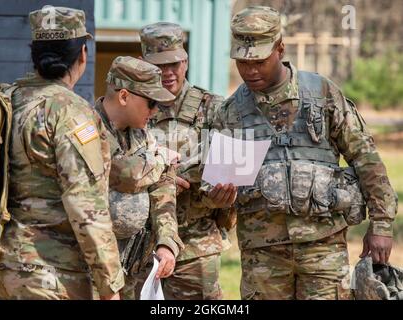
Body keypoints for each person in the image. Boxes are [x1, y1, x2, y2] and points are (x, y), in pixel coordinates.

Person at [210, 5, 397, 300]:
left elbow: (365, 158)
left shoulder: (321, 94)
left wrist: (382, 224)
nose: (250, 70)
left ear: (280, 49)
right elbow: (224, 195)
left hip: (323, 247)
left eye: (259, 60)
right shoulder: (232, 113)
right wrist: (221, 197)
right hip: (262, 255)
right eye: (242, 62)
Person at [0, 7, 124, 300]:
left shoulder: (9, 100)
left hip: (5, 270)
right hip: (51, 276)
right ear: (83, 54)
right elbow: (86, 206)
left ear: (34, 54)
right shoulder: (71, 112)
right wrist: (110, 285)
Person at [139, 22, 237, 300]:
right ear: (144, 64)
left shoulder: (213, 108)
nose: (168, 72)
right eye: (159, 65)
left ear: (185, 61)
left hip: (194, 245)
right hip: (139, 245)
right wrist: (158, 177)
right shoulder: (132, 106)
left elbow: (230, 169)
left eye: (174, 63)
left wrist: (222, 195)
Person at [93, 56, 184, 299]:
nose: (155, 112)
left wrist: (167, 243)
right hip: (94, 273)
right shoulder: (89, 128)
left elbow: (163, 188)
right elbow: (124, 173)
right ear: (124, 97)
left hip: (133, 268)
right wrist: (160, 159)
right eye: (151, 103)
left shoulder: (141, 134)